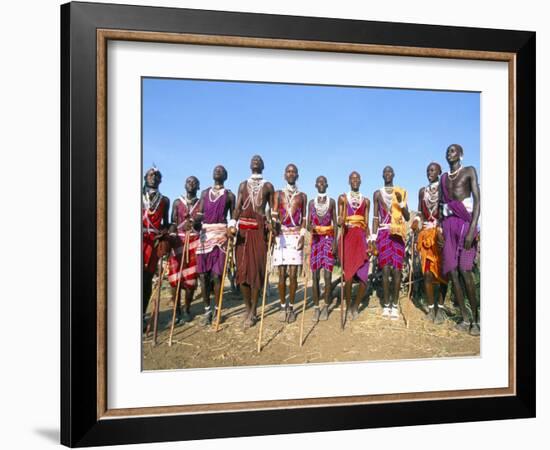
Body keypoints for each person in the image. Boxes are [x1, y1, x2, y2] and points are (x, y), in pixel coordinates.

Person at [440, 144, 480, 335]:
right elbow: (442, 205)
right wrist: (442, 230)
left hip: (465, 224)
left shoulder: (469, 171)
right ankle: (464, 318)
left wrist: (473, 229)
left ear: (461, 154)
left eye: (453, 150)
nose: (450, 153)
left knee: (465, 271)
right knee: (453, 273)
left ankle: (477, 320)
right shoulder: (444, 178)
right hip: (448, 225)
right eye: (448, 151)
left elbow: (478, 201)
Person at [230, 155, 275, 328]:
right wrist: (233, 224)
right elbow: (238, 207)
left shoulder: (268, 186)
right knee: (242, 272)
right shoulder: (243, 185)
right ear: (249, 165)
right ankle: (247, 307)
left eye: (259, 160)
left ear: (263, 165)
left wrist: (272, 223)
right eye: (253, 160)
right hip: (243, 232)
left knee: (256, 272)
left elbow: (272, 209)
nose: (255, 161)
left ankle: (254, 310)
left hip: (259, 231)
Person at [195, 166, 235, 325]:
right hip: (205, 236)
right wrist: (193, 223)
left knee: (217, 275)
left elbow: (233, 217)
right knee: (203, 276)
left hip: (221, 236)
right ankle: (207, 310)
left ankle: (218, 309)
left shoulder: (230, 195)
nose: (218, 172)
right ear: (212, 174)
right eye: (215, 170)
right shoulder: (205, 193)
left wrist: (232, 229)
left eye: (221, 170)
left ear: (226, 176)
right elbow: (199, 215)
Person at [411, 163, 448, 324]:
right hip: (426, 236)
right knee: (427, 273)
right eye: (427, 170)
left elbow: (448, 210)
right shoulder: (422, 191)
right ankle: (431, 307)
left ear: (440, 172)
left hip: (441, 234)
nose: (429, 172)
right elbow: (420, 212)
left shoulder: (445, 188)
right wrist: (416, 222)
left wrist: (441, 228)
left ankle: (440, 307)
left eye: (432, 170)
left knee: (443, 273)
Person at [372, 166, 410, 320]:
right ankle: (386, 304)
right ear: (382, 175)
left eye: (390, 172)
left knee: (397, 271)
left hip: (397, 234)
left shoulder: (400, 192)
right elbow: (375, 218)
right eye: (385, 172)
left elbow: (407, 217)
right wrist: (373, 239)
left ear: (394, 175)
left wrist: (401, 204)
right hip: (383, 234)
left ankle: (395, 305)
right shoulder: (377, 193)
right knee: (385, 270)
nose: (387, 174)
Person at [272, 164, 307, 323]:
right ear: (284, 175)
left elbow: (305, 218)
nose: (291, 174)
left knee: (293, 275)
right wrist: (273, 227)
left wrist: (302, 235)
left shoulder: (302, 196)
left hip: (295, 236)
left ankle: (291, 307)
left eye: (293, 172)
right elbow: (274, 214)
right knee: (281, 275)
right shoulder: (278, 194)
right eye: (288, 171)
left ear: (297, 175)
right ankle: (281, 306)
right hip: (281, 235)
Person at [167, 176, 201, 323]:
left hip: (194, 241)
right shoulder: (177, 202)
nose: (191, 184)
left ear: (198, 187)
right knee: (175, 278)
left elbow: (202, 224)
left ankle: (187, 308)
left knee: (191, 279)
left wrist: (193, 225)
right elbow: (172, 223)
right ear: (184, 185)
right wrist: (172, 235)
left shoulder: (201, 204)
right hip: (178, 241)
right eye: (188, 181)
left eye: (194, 182)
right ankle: (176, 310)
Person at [338, 171, 370, 321]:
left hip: (361, 238)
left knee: (364, 276)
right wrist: (340, 221)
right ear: (349, 181)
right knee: (349, 276)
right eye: (352, 178)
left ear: (361, 181)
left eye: (357, 178)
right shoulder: (343, 198)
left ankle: (355, 306)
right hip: (348, 237)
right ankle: (349, 304)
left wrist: (370, 240)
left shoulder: (366, 200)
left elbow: (367, 223)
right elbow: (340, 219)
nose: (355, 180)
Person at [142, 166, 170, 324]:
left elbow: (165, 223)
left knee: (146, 279)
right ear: (145, 177)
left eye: (157, 175)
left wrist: (164, 234)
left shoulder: (164, 200)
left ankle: (142, 314)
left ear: (161, 180)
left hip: (153, 242)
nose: (154, 177)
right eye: (151, 174)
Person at [308, 175, 338, 322]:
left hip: (327, 240)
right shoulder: (311, 203)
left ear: (327, 185)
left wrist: (335, 243)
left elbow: (336, 223)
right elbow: (308, 224)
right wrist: (311, 227)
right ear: (315, 185)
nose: (321, 184)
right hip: (315, 241)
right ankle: (316, 308)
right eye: (318, 182)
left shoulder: (331, 202)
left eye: (323, 182)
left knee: (327, 276)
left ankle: (326, 306)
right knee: (314, 276)